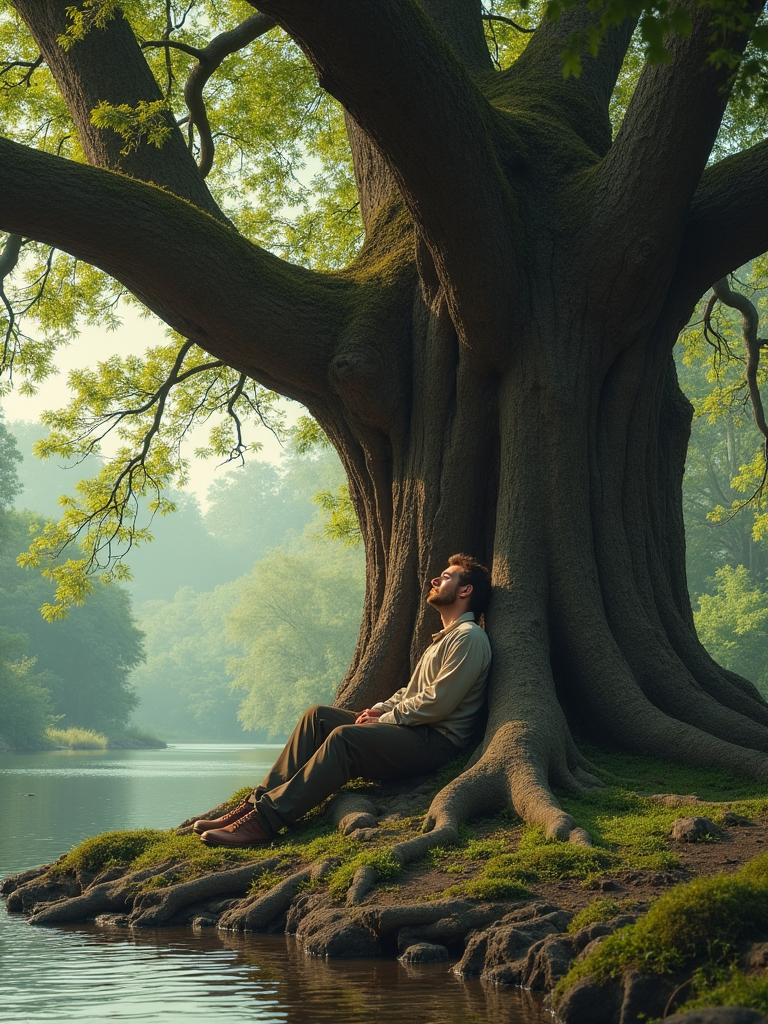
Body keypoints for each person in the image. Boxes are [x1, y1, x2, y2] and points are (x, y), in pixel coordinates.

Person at [194, 553, 492, 847]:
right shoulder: (445, 637)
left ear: (465, 591)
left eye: (447, 577)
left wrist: (386, 719)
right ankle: (253, 806)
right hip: (411, 729)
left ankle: (265, 821)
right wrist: (378, 710)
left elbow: (438, 702)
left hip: (434, 741)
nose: (435, 580)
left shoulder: (468, 638)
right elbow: (412, 693)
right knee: (318, 717)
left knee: (345, 738)